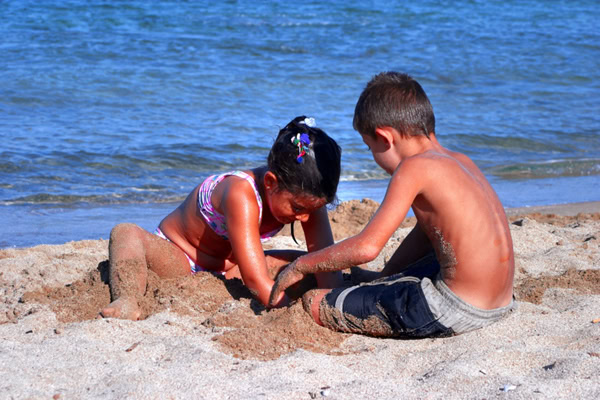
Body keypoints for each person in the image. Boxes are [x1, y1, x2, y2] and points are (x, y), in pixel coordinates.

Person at [269, 73, 515, 338]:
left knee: (315, 303)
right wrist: (385, 275)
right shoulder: (460, 161)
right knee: (431, 255)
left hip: (456, 308)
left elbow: (367, 247)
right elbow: (427, 232)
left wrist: (302, 265)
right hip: (501, 302)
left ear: (384, 138)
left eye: (369, 147)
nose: (373, 156)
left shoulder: (413, 167)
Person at [101, 116, 342, 320]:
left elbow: (326, 260)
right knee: (126, 232)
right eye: (298, 208)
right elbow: (256, 281)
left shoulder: (308, 198)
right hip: (181, 259)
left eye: (314, 208)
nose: (304, 217)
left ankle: (361, 280)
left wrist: (333, 302)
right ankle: (128, 298)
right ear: (270, 183)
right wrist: (286, 314)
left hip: (230, 272)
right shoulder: (240, 193)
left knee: (310, 264)